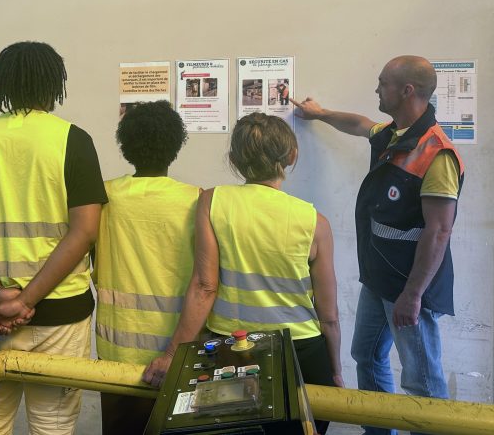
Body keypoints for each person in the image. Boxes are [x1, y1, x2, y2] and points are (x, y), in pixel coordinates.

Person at [0, 41, 107, 435]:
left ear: (2, 84)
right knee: (53, 425)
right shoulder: (72, 140)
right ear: (54, 84)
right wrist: (26, 301)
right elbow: (84, 230)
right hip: (60, 315)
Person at [293, 55, 464, 435]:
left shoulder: (437, 153)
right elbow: (359, 124)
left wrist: (413, 295)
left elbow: (439, 231)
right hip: (380, 279)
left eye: (382, 83)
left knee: (422, 382)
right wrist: (318, 114)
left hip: (409, 287)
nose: (376, 89)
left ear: (406, 91)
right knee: (366, 356)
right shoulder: (394, 135)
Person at [143, 112, 343, 434]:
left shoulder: (212, 202)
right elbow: (329, 315)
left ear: (234, 159)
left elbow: (205, 287)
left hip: (232, 352)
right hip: (302, 354)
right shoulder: (315, 222)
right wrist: (334, 370)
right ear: (292, 156)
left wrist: (171, 355)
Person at [94, 101, 200, 435]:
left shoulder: (105, 197)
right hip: (178, 351)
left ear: (126, 145)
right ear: (175, 146)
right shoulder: (196, 200)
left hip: (115, 352)